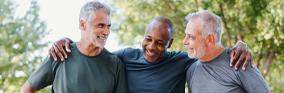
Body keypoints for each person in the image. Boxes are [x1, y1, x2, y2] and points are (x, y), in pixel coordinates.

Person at [49, 16, 253, 93]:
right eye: (148, 39)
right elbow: (94, 55)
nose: (151, 47)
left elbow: (211, 50)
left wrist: (241, 45)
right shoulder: (126, 56)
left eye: (159, 43)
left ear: (170, 44)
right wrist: (67, 42)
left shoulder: (181, 61)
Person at [20, 1, 128, 93]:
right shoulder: (59, 54)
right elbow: (26, 89)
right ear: (82, 25)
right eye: (100, 25)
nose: (106, 32)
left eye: (108, 26)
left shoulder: (115, 64)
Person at [184, 10, 270, 93]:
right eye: (186, 35)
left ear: (209, 39)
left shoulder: (240, 62)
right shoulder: (192, 70)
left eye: (191, 36)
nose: (184, 41)